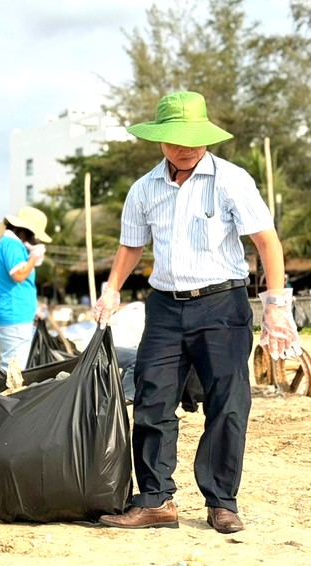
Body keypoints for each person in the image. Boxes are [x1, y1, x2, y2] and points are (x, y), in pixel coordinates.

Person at [94, 91, 301, 534]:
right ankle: (155, 499)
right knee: (151, 400)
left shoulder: (231, 180)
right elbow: (131, 245)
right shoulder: (144, 188)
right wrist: (111, 289)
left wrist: (277, 307)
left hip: (223, 307)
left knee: (228, 404)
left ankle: (221, 500)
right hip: (165, 308)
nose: (185, 147)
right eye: (175, 138)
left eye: (193, 138)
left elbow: (267, 242)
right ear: (159, 139)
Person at [0, 206, 52, 371]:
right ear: (25, 230)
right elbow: (18, 274)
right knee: (15, 370)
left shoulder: (6, 244)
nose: (35, 240)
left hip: (11, 314)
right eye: (34, 235)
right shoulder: (12, 245)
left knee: (11, 366)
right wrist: (34, 257)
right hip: (14, 315)